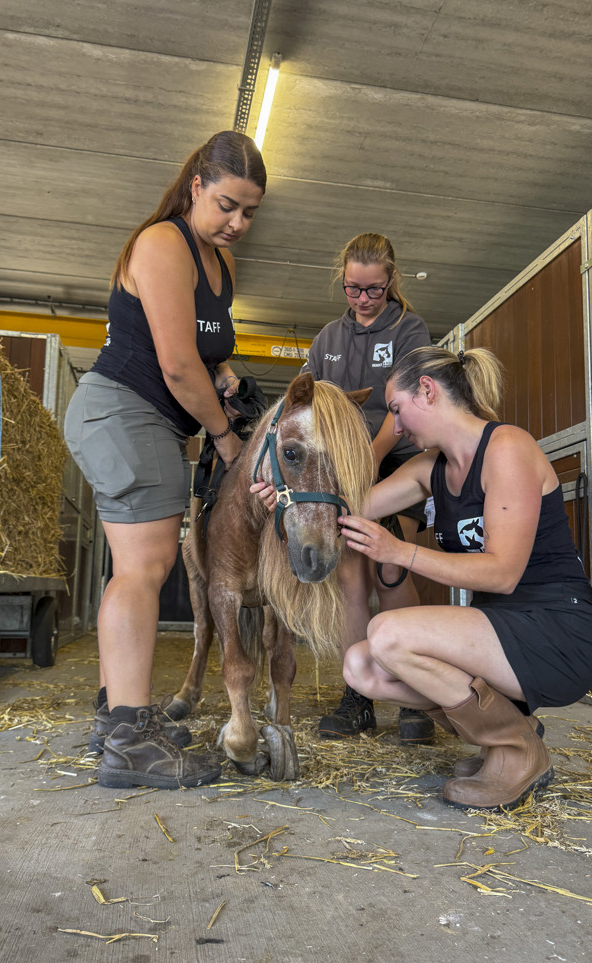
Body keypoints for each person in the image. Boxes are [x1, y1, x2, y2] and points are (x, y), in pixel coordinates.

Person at [64, 130, 267, 790]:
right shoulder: (161, 244)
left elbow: (204, 356)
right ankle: (130, 741)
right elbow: (177, 366)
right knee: (146, 568)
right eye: (228, 205)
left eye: (250, 212)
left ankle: (114, 720)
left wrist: (228, 377)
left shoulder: (220, 264)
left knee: (135, 568)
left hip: (150, 418)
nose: (237, 223)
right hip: (125, 408)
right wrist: (228, 439)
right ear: (196, 187)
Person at [336, 345, 592, 811]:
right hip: (498, 632)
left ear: (427, 390)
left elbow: (502, 573)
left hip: (557, 630)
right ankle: (503, 740)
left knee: (386, 633)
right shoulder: (429, 469)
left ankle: (518, 752)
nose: (395, 427)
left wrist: (400, 550)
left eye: (397, 410)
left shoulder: (508, 448)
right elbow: (345, 510)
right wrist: (282, 498)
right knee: (361, 667)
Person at [301, 233, 435, 744]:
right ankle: (357, 696)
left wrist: (369, 460)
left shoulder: (409, 329)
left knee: (392, 570)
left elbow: (405, 409)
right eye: (352, 289)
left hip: (391, 461)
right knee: (351, 580)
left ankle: (412, 693)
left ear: (392, 281)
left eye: (373, 290)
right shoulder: (327, 340)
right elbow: (311, 408)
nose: (362, 299)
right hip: (341, 473)